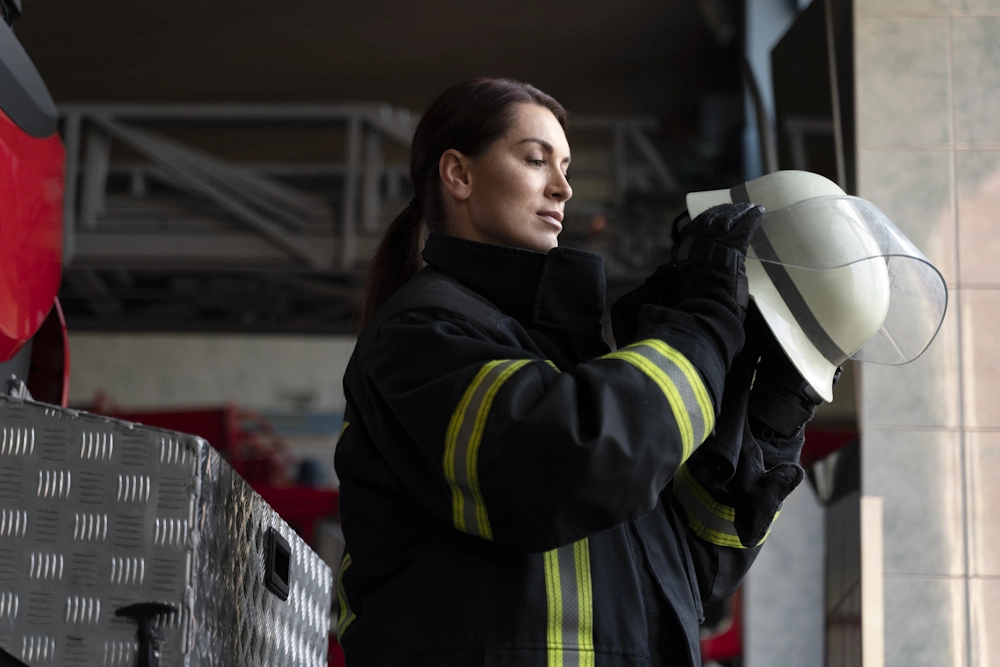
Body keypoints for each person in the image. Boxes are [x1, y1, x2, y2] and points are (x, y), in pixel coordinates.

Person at [334, 77, 826, 666]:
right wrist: (703, 322)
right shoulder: (422, 331)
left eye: (566, 167)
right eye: (535, 160)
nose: (563, 188)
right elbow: (572, 465)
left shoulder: (571, 364)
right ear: (458, 175)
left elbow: (697, 574)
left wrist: (768, 418)